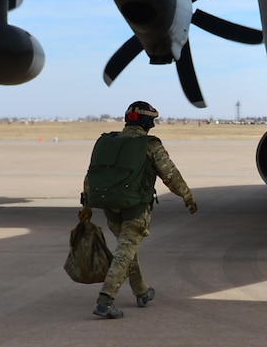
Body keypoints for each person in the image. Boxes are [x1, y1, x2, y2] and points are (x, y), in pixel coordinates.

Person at [84, 101, 197, 318]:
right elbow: (170, 175)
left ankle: (142, 292)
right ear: (148, 123)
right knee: (124, 254)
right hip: (136, 208)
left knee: (127, 251)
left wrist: (87, 205)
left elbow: (92, 175)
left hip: (111, 209)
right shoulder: (150, 145)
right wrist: (188, 197)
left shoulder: (109, 142)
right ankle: (105, 300)